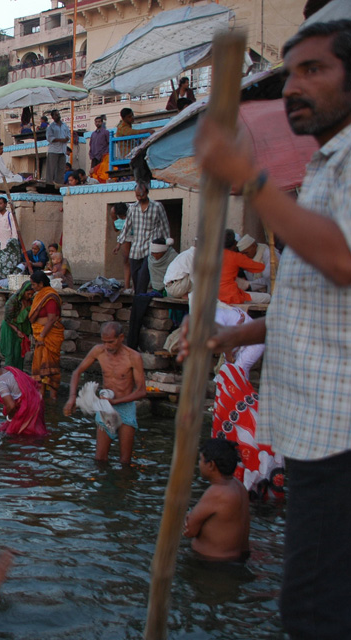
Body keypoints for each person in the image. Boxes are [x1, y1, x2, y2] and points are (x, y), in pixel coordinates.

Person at [193, 21, 351, 636]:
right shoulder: (324, 166)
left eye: (316, 70)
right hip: (312, 429)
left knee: (316, 614)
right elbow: (313, 296)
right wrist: (240, 336)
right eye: (291, 73)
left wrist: (251, 178)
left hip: (339, 431)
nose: (294, 87)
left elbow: (341, 261)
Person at [64, 321, 146, 464]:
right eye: (104, 342)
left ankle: (123, 483)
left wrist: (116, 402)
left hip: (125, 407)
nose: (107, 346)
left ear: (121, 338)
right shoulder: (98, 351)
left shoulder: (133, 357)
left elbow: (141, 391)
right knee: (100, 459)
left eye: (111, 342)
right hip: (105, 407)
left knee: (125, 461)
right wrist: (72, 398)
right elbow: (77, 372)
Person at [182, 438, 251, 562]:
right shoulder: (240, 487)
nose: (199, 464)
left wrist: (187, 517)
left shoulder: (217, 492)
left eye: (201, 460)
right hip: (238, 558)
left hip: (212, 563)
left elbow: (189, 530)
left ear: (211, 465)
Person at [120, 182, 170, 294]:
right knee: (136, 280)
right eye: (137, 195)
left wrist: (167, 243)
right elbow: (126, 226)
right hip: (136, 250)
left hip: (150, 249)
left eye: (141, 195)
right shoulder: (132, 208)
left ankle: (139, 303)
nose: (139, 198)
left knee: (143, 278)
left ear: (147, 192)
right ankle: (138, 301)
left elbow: (164, 226)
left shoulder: (157, 207)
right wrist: (119, 243)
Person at [0, 356, 46, 437]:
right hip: (36, 402)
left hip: (27, 409)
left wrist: (9, 419)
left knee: (17, 436)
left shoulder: (0, 382)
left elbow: (11, 406)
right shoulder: (11, 369)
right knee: (37, 434)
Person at [25, 271, 64, 402]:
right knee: (40, 367)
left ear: (41, 283)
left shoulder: (50, 297)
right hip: (40, 336)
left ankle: (53, 398)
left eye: (34, 284)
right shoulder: (40, 295)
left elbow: (52, 319)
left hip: (49, 336)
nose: (32, 287)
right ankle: (40, 397)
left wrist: (42, 335)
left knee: (50, 367)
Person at [218, 229, 271, 305]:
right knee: (268, 297)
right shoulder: (236, 257)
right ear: (235, 244)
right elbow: (261, 268)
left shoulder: (212, 256)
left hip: (214, 295)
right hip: (231, 296)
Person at [45, 109, 71, 186]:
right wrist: (61, 140)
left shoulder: (64, 125)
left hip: (62, 150)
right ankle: (49, 185)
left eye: (58, 114)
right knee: (51, 170)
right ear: (52, 117)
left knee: (61, 169)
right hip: (54, 151)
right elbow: (50, 138)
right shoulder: (51, 127)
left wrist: (66, 139)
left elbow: (68, 135)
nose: (58, 116)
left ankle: (59, 185)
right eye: (56, 115)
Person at [89, 116, 110, 180]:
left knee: (101, 172)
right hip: (94, 157)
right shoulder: (93, 134)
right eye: (96, 122)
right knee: (93, 173)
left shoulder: (106, 132)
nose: (97, 123)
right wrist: (90, 154)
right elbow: (91, 144)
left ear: (102, 122)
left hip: (102, 156)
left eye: (99, 122)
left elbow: (109, 143)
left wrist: (105, 153)